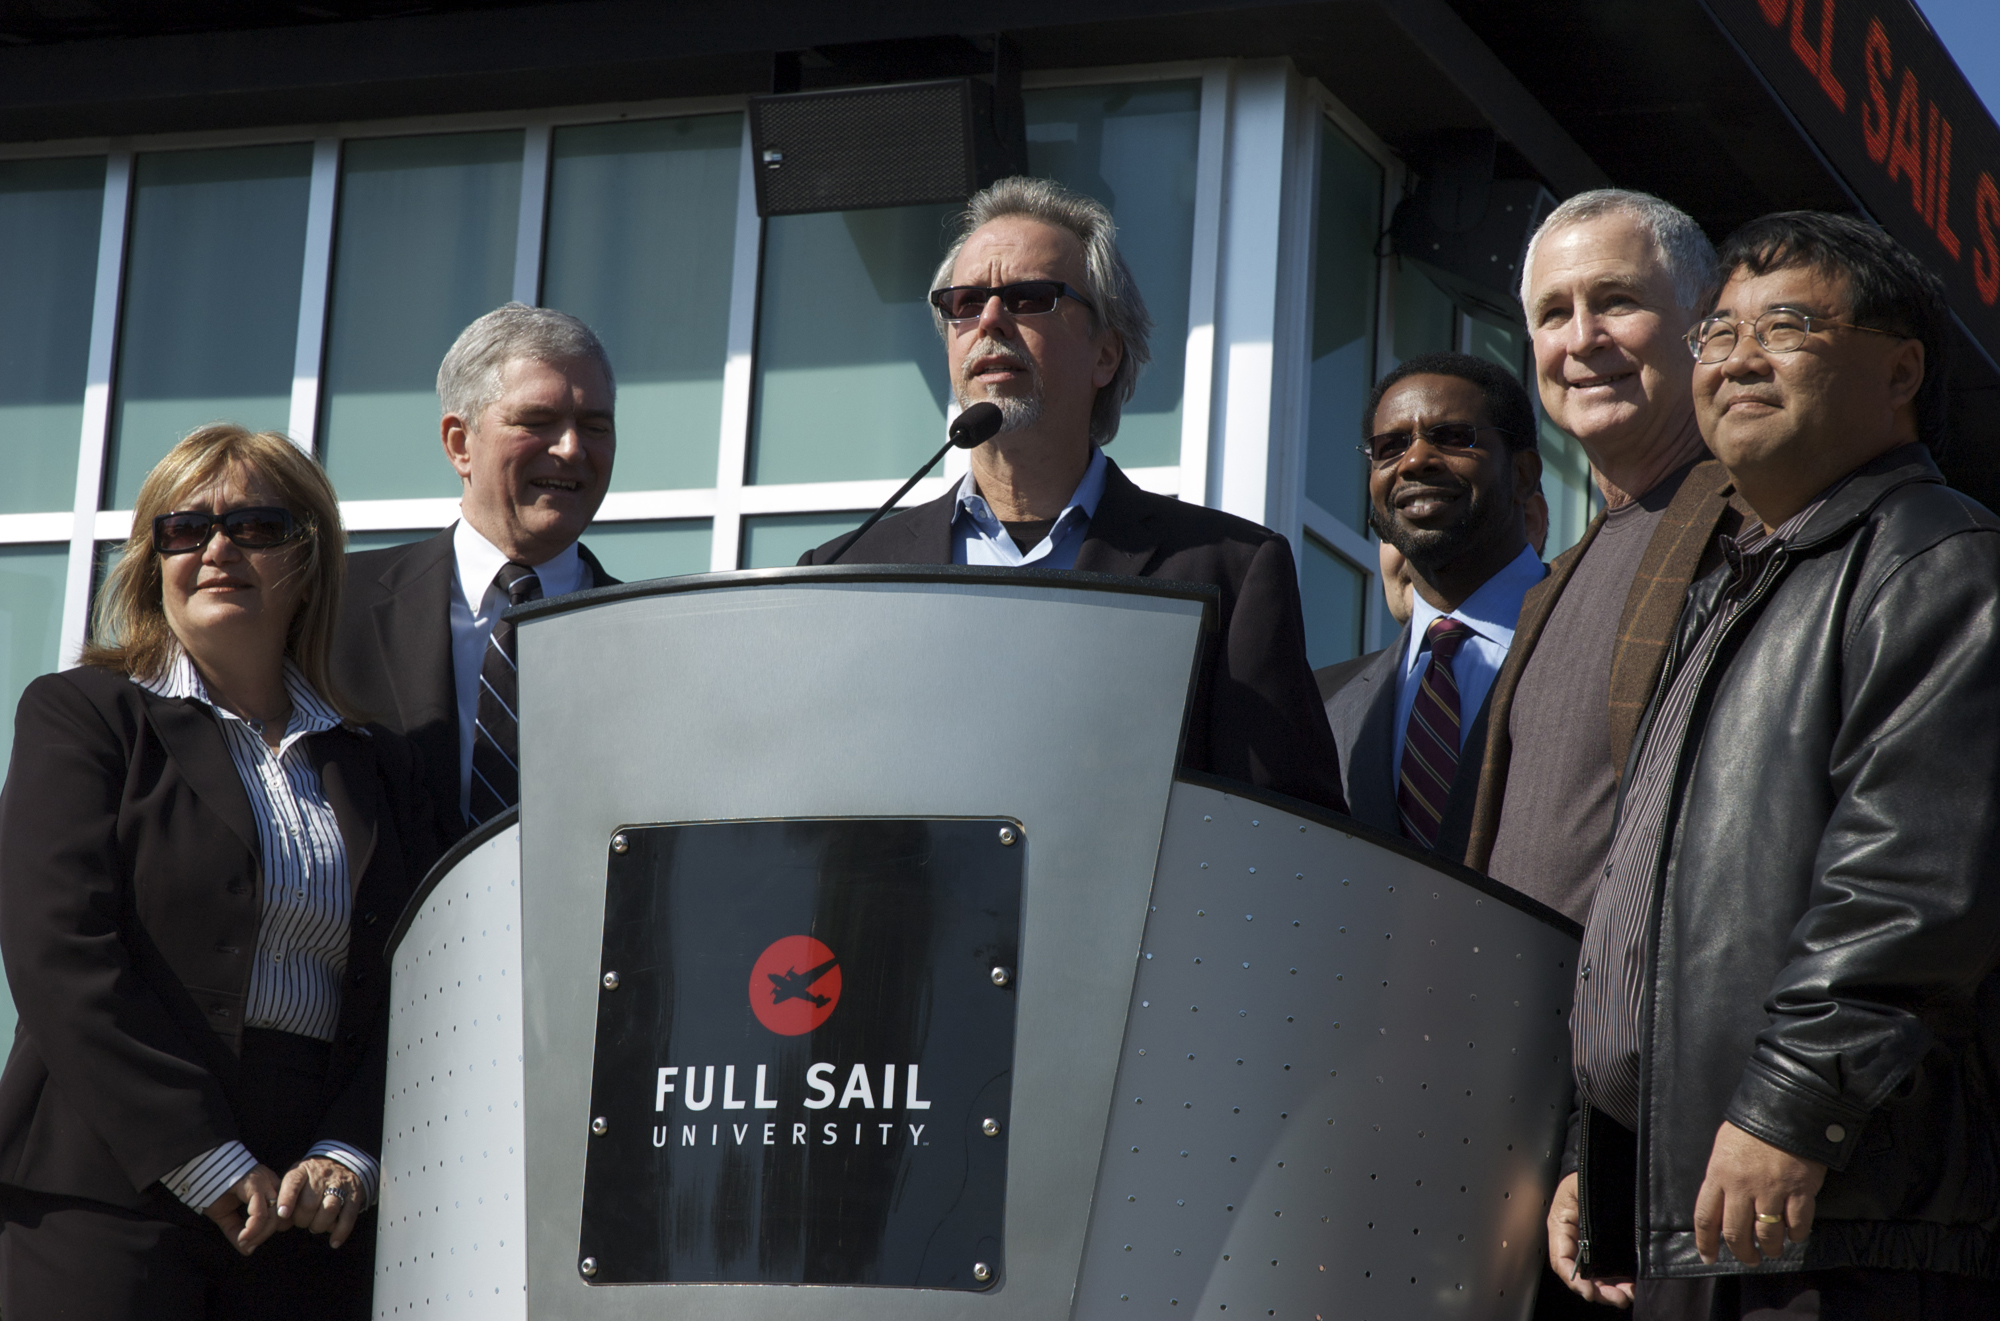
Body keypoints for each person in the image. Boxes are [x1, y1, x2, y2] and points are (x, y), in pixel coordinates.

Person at [1548, 212, 2000, 1317]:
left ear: (1901, 371)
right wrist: (1596, 1150)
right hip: (1698, 1216)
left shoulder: (1934, 559)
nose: (1737, 359)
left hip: (1832, 1224)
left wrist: (1791, 1111)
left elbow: (1911, 892)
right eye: (1718, 333)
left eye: (1785, 327)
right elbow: (1642, 914)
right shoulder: (1736, 585)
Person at [0, 426, 441, 1319]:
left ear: (308, 560)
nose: (216, 549)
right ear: (153, 560)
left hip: (308, 1213)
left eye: (255, 526)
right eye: (184, 528)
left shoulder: (375, 762)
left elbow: (421, 980)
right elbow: (58, 952)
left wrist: (350, 1152)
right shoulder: (83, 715)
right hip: (109, 1187)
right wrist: (201, 1155)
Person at [799, 177, 1341, 811]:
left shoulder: (1228, 570)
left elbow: (1283, 830)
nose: (990, 321)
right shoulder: (843, 573)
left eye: (1029, 298)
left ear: (1105, 355)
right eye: (965, 303)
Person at [1466, 191, 1741, 927]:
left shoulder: (1761, 533)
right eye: (1554, 313)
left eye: (1616, 301)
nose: (1583, 338)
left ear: (1704, 322)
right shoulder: (1551, 583)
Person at [331, 303, 621, 839]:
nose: (572, 448)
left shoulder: (654, 637)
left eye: (595, 426)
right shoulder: (332, 606)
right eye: (537, 422)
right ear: (459, 444)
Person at [1314, 353, 1542, 855]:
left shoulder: (1602, 635)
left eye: (1453, 436)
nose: (1415, 460)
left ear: (1523, 474)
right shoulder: (1323, 709)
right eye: (1390, 446)